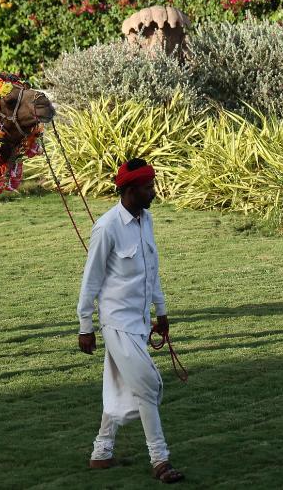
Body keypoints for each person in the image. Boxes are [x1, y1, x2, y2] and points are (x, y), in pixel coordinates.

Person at [77, 158, 184, 483]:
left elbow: (152, 271)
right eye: (148, 187)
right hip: (116, 324)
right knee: (148, 387)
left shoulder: (146, 220)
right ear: (130, 190)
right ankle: (160, 460)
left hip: (139, 325)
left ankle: (101, 452)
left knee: (121, 385)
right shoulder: (107, 227)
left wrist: (161, 312)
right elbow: (90, 282)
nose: (154, 192)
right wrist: (86, 327)